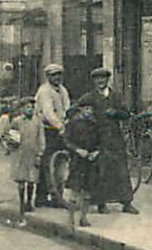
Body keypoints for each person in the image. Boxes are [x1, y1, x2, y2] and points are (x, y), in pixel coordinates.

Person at [74, 67, 139, 214]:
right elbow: (76, 111)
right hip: (97, 139)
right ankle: (101, 204)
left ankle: (126, 202)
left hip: (115, 138)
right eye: (98, 79)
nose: (101, 81)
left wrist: (116, 113)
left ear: (108, 80)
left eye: (103, 78)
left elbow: (126, 114)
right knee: (100, 171)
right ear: (94, 81)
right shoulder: (88, 97)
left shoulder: (116, 96)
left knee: (121, 170)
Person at [33, 65, 72, 208]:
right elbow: (48, 113)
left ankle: (55, 195)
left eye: (59, 75)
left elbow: (67, 107)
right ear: (47, 76)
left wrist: (67, 122)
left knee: (59, 163)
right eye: (54, 75)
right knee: (47, 163)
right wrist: (60, 126)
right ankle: (43, 196)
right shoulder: (44, 91)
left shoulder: (63, 90)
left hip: (60, 129)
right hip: (47, 130)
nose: (57, 78)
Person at [63, 98, 103, 228]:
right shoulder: (73, 124)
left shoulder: (95, 125)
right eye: (86, 108)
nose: (89, 111)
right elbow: (67, 141)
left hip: (91, 161)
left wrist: (96, 152)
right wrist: (77, 150)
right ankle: (70, 218)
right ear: (80, 109)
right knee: (75, 189)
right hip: (77, 160)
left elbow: (101, 141)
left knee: (88, 190)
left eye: (91, 109)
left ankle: (83, 217)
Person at [12, 98, 46, 218]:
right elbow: (12, 138)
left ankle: (29, 202)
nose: (30, 109)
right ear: (22, 109)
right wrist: (11, 144)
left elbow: (41, 138)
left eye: (32, 107)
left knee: (32, 179)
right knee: (21, 179)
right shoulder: (17, 121)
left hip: (33, 153)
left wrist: (40, 153)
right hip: (20, 154)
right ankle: (21, 202)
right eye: (27, 107)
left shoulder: (38, 122)